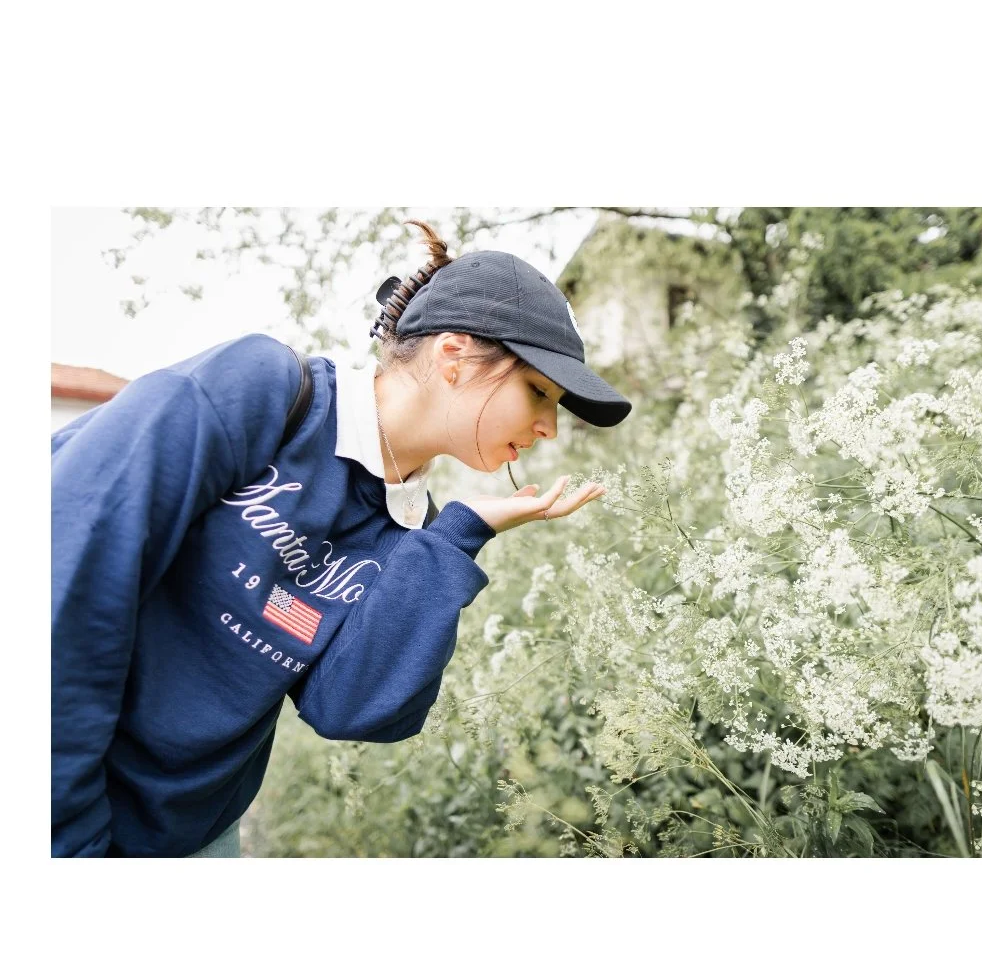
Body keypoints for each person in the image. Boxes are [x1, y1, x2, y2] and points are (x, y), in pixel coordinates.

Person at [51, 219, 632, 857]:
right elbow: (66, 584)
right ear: (455, 357)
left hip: (191, 836)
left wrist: (458, 537)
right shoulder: (264, 393)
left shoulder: (411, 525)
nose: (549, 426)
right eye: (538, 392)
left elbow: (351, 708)